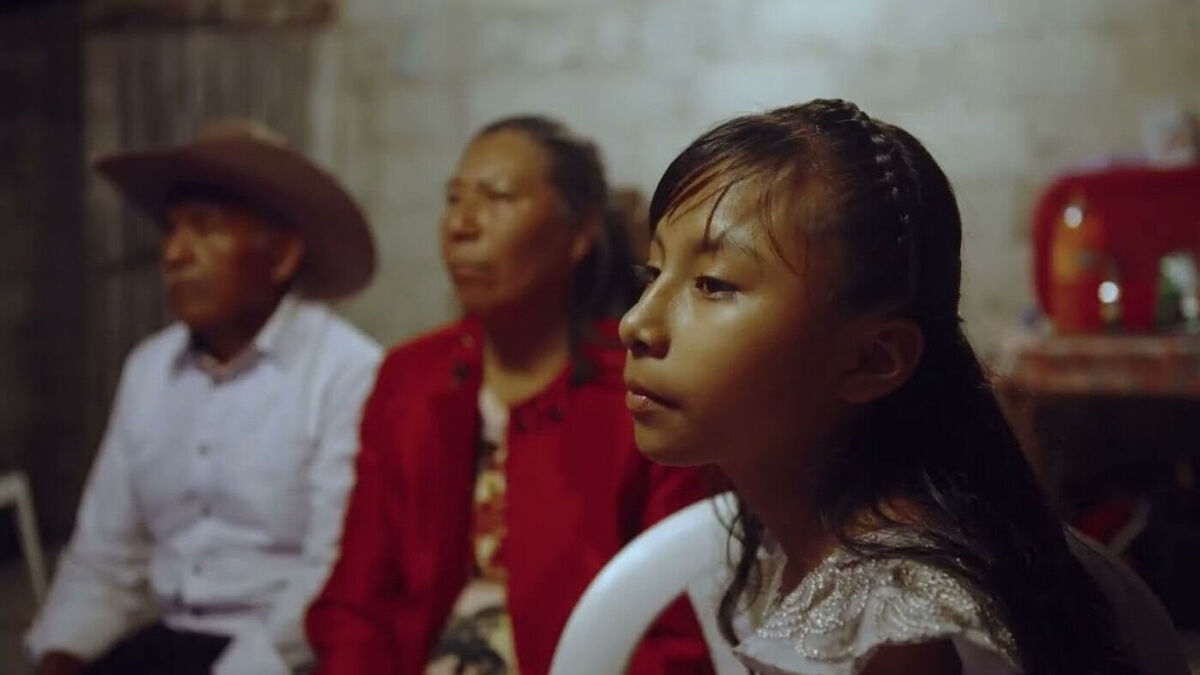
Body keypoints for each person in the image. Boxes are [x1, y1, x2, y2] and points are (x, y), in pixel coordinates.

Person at [619, 100, 1189, 675]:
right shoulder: (790, 538)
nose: (636, 323)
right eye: (652, 273)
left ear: (873, 358)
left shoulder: (900, 622)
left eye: (713, 284)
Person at [307, 115, 714, 675]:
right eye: (453, 199)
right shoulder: (410, 378)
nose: (461, 224)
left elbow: (675, 625)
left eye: (497, 197)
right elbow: (358, 599)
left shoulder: (643, 385)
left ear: (580, 232)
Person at [27, 120, 383, 675]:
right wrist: (59, 655)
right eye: (170, 229)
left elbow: (332, 575)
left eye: (205, 227)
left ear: (282, 255)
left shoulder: (347, 373)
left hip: (287, 655)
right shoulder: (149, 369)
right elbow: (105, 556)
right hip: (172, 640)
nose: (174, 254)